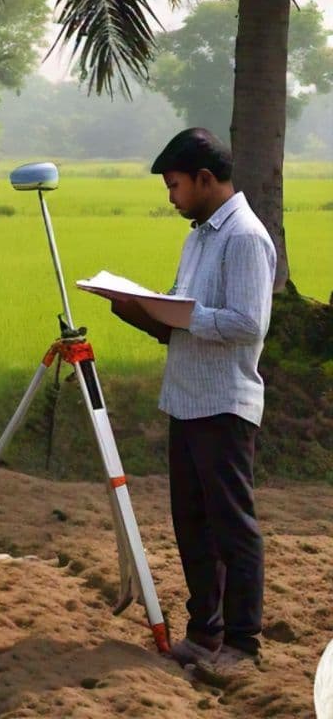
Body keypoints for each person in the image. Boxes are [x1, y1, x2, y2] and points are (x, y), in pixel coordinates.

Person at [108, 128, 275, 683]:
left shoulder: (244, 237)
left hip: (223, 404)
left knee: (232, 527)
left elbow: (248, 323)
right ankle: (205, 631)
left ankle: (243, 644)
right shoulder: (200, 236)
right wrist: (142, 311)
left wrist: (180, 315)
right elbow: (184, 315)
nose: (171, 196)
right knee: (192, 524)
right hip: (186, 399)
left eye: (175, 185)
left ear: (205, 180)